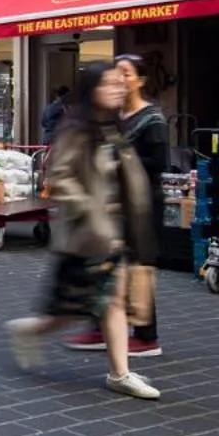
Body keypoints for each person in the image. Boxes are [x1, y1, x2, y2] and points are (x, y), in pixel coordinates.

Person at [5, 64, 161, 400]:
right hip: (88, 234)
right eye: (111, 84)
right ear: (92, 89)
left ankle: (120, 373)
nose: (119, 89)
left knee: (111, 302)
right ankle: (29, 330)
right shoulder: (76, 129)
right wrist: (92, 211)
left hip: (115, 231)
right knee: (75, 308)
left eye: (122, 83)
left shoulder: (113, 128)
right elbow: (60, 178)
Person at [65, 56, 166, 357]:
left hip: (143, 203)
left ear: (141, 80)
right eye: (115, 74)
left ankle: (147, 336)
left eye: (126, 73)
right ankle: (101, 326)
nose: (120, 79)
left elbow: (160, 163)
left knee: (138, 267)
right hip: (114, 202)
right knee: (106, 262)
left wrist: (118, 158)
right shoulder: (115, 116)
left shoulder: (152, 118)